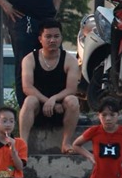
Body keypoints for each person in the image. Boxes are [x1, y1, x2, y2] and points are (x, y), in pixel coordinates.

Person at [18, 19, 81, 153]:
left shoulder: (70, 60)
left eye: (56, 36)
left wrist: (54, 100)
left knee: (73, 101)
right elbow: (27, 87)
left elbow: (71, 89)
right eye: (48, 36)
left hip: (60, 107)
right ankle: (23, 145)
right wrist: (47, 101)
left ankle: (66, 143)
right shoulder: (29, 59)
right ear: (40, 39)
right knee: (29, 100)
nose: (52, 40)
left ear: (61, 38)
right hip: (38, 107)